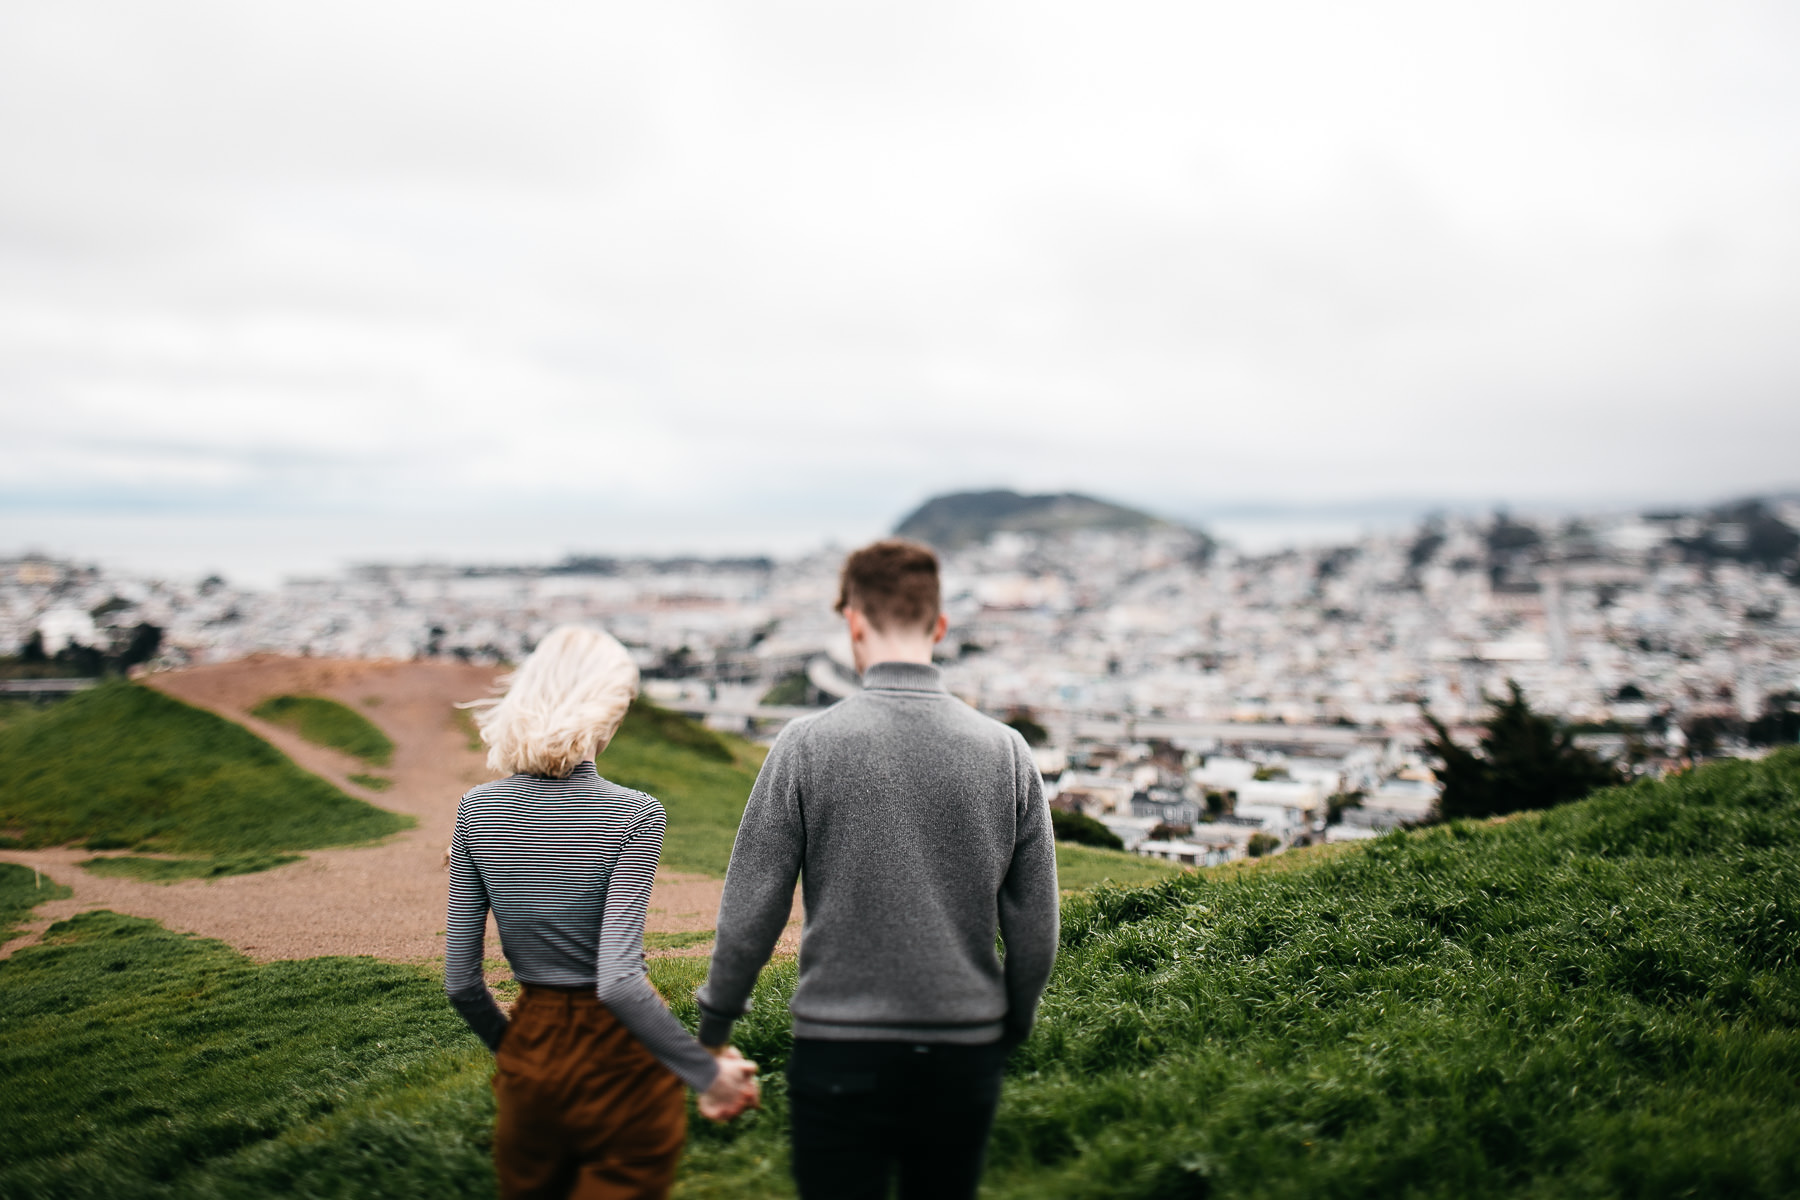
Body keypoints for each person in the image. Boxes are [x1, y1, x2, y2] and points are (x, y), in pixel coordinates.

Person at [695, 538, 1060, 1200]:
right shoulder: (1007, 753)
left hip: (840, 1047)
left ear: (853, 622)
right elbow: (1036, 927)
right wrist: (1014, 1021)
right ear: (940, 626)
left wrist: (715, 1033)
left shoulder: (805, 746)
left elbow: (751, 908)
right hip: (964, 1050)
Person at [445, 625, 759, 1200]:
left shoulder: (476, 811)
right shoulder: (635, 814)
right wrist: (707, 1074)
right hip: (619, 1059)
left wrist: (519, 1055)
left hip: (529, 1055)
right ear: (610, 710)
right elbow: (617, 980)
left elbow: (462, 985)